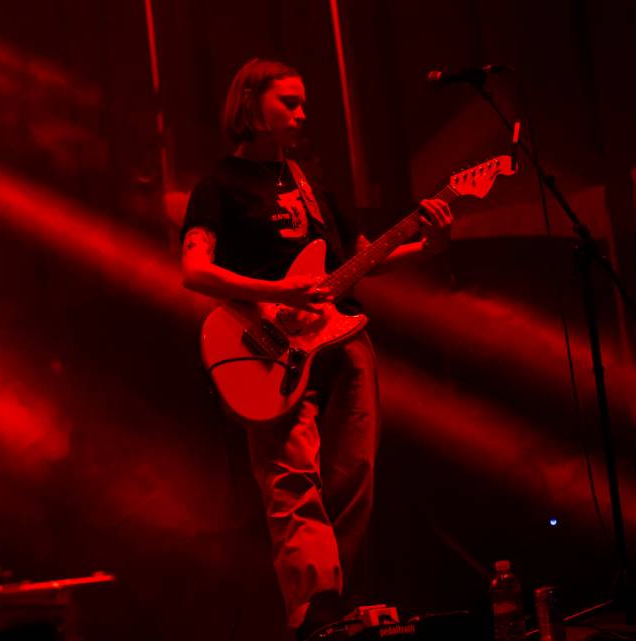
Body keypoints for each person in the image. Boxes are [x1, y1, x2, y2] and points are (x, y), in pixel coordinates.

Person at [180, 58, 453, 641]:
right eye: (290, 102)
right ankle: (316, 615)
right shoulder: (219, 186)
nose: (304, 113)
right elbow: (195, 269)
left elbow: (361, 258)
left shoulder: (312, 184)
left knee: (355, 474)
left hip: (343, 340)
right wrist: (279, 290)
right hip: (267, 348)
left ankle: (339, 612)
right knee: (290, 479)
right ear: (251, 105)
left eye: (304, 102)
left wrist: (427, 245)